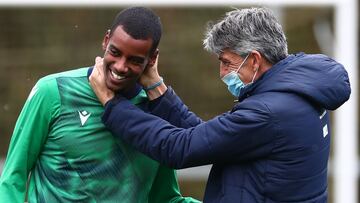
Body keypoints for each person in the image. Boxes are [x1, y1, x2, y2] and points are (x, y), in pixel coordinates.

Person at [89, 7, 351, 203]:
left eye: (226, 61)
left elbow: (179, 148)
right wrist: (157, 89)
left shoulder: (267, 113)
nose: (222, 71)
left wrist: (112, 105)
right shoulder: (300, 91)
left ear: (254, 60)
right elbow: (213, 140)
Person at [0, 7, 199, 203]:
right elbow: (13, 178)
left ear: (152, 59)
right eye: (115, 52)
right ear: (106, 40)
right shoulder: (52, 91)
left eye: (134, 60)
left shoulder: (156, 111)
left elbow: (164, 198)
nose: (120, 66)